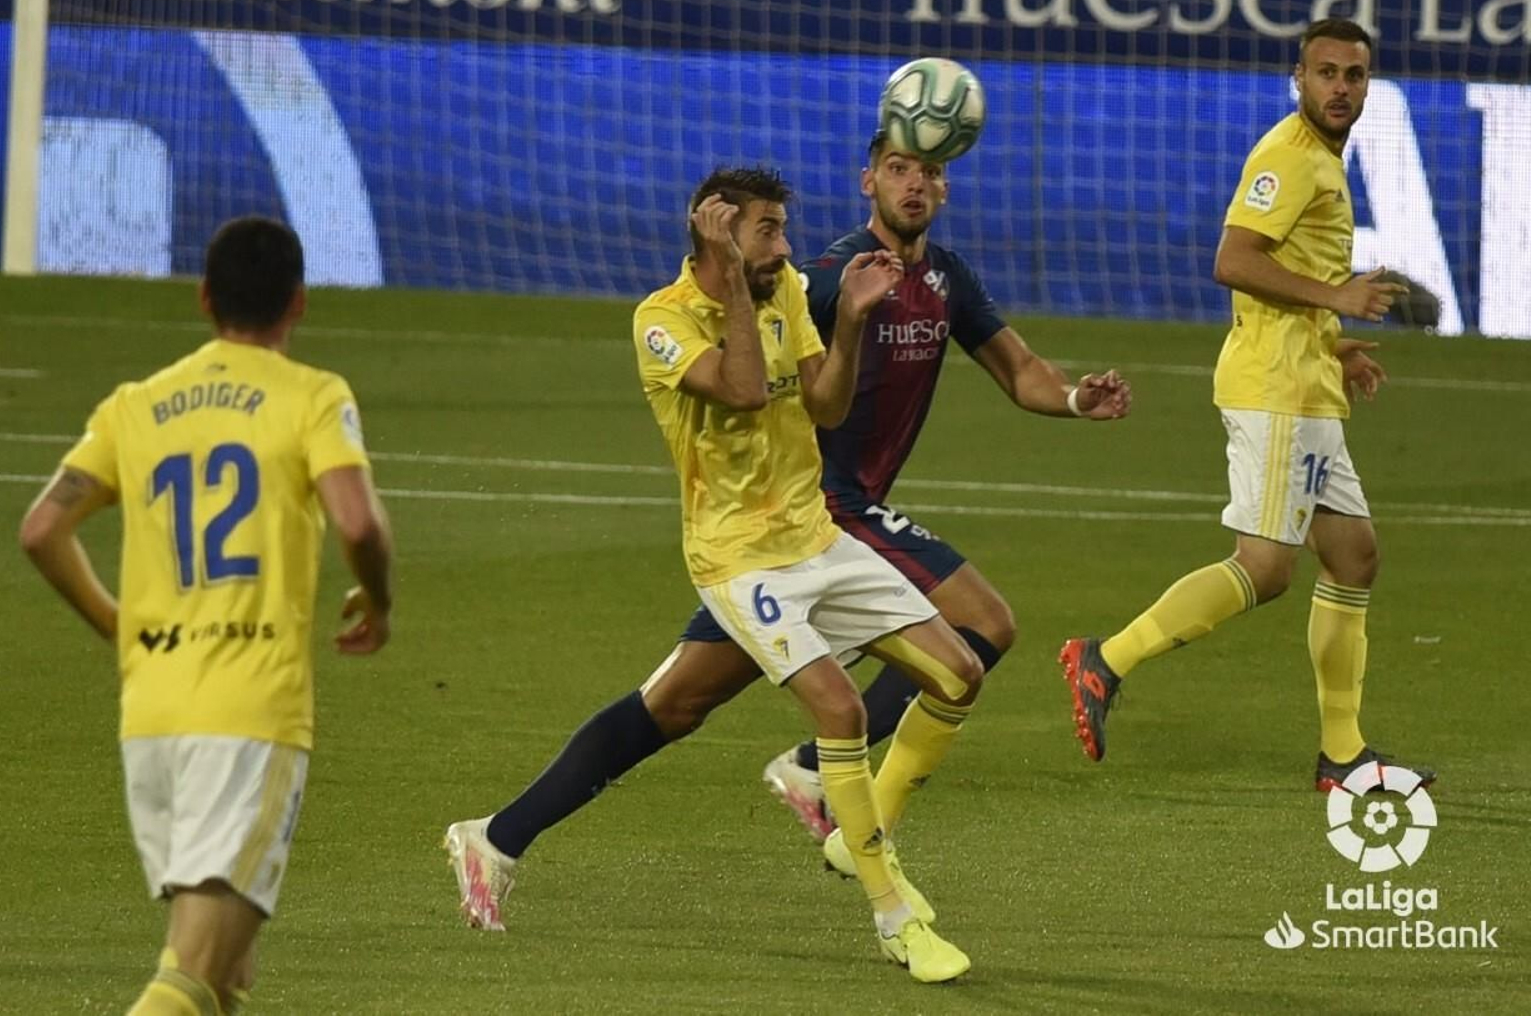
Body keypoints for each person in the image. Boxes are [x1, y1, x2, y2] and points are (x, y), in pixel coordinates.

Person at [446, 158, 1129, 974]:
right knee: (838, 712)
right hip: (741, 562)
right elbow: (738, 389)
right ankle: (891, 912)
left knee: (947, 671)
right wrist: (740, 283)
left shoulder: (795, 296)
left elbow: (827, 405)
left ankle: (493, 837)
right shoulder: (662, 319)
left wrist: (848, 327)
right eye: (768, 229)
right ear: (719, 230)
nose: (787, 245)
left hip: (817, 536)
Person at [19, 217, 394, 1015]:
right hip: (247, 716)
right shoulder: (312, 396)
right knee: (191, 973)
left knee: (220, 975)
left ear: (202, 298)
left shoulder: (136, 406)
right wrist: (379, 598)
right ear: (298, 302)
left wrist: (118, 626)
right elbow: (358, 523)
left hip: (151, 718)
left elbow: (42, 528)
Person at [1058, 17, 1435, 793]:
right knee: (1264, 568)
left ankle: (1342, 755)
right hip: (1274, 394)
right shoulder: (1288, 159)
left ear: (1369, 83)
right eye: (1325, 72)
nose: (1339, 87)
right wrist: (1337, 297)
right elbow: (1233, 259)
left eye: (1354, 74)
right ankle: (1107, 659)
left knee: (1354, 554)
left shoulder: (1325, 163)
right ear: (1298, 77)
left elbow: (1282, 279)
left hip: (1306, 384)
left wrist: (1332, 342)